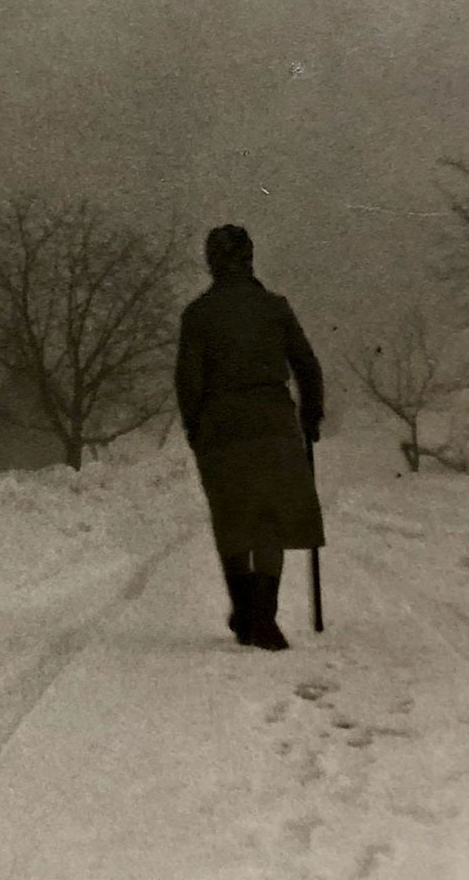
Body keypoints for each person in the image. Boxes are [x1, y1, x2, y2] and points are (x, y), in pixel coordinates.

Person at [175, 224, 325, 651]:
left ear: (212, 262)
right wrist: (311, 413)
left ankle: (244, 613)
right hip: (274, 425)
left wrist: (194, 427)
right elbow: (307, 366)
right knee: (268, 520)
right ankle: (264, 617)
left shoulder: (198, 315)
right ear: (250, 258)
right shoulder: (275, 308)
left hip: (221, 428)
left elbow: (188, 381)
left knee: (232, 518)